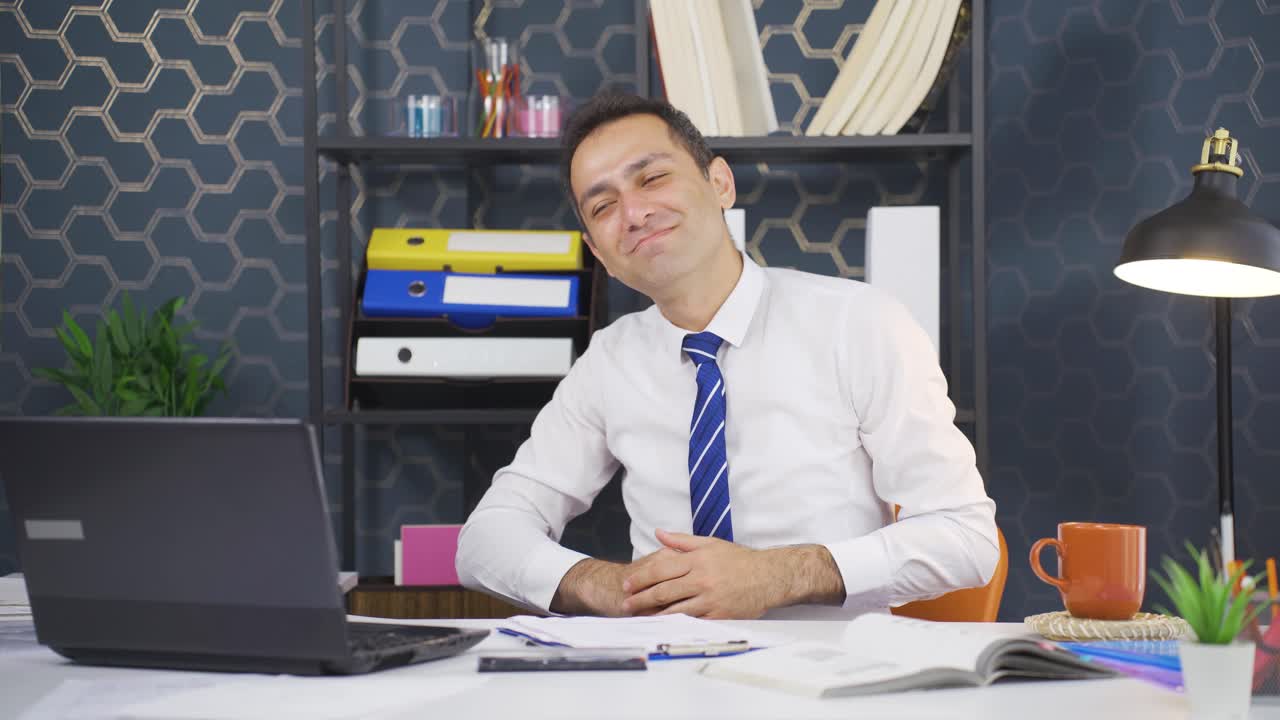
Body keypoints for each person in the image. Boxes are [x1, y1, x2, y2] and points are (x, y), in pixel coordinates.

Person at [455, 92, 998, 620]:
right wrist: (613, 586)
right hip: (668, 676)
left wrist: (777, 575)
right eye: (603, 206)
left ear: (719, 183)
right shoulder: (608, 361)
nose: (635, 212)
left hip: (834, 676)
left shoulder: (860, 323)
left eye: (653, 177)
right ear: (600, 254)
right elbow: (485, 540)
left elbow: (965, 538)